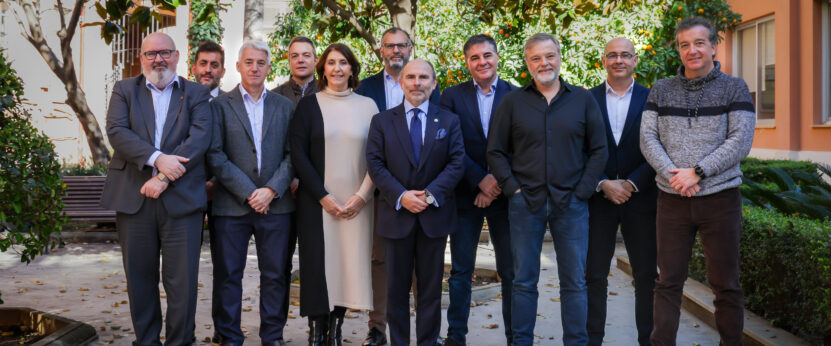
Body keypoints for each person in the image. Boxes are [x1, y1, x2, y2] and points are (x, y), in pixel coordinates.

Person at [640, 17, 755, 346]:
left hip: (720, 200)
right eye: (684, 44)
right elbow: (648, 139)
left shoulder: (735, 88)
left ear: (713, 46)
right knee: (667, 283)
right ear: (678, 49)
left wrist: (698, 172)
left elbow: (740, 141)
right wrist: (676, 177)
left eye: (699, 43)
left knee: (726, 285)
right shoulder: (661, 89)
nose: (692, 50)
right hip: (672, 200)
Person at [487, 33, 608, 346]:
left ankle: (577, 343)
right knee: (523, 282)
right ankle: (521, 342)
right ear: (528, 63)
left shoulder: (583, 100)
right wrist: (512, 189)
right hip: (525, 203)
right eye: (536, 58)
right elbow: (496, 150)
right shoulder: (512, 102)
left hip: (572, 204)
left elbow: (599, 150)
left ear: (559, 57)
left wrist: (582, 192)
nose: (544, 63)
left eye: (549, 56)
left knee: (574, 284)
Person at [100, 32, 211, 346]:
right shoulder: (124, 90)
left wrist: (162, 177)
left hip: (182, 201)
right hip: (134, 198)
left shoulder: (196, 94)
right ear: (141, 59)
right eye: (151, 54)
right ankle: (146, 342)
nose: (158, 59)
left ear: (177, 56)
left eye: (165, 52)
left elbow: (200, 138)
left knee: (183, 284)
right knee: (140, 280)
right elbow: (117, 131)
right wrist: (158, 159)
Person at [366, 59, 465, 346]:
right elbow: (375, 163)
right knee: (396, 291)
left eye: (424, 77)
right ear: (401, 82)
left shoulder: (448, 120)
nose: (417, 83)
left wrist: (430, 195)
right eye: (411, 77)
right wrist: (401, 196)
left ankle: (427, 342)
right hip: (396, 217)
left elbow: (457, 162)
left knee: (430, 290)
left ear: (434, 84)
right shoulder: (382, 121)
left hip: (433, 218)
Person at [206, 40, 295, 346]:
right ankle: (230, 337)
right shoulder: (219, 106)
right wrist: (249, 192)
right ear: (238, 67)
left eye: (261, 62)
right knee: (228, 276)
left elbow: (293, 154)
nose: (255, 68)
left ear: (269, 67)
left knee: (275, 276)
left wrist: (270, 190)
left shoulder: (285, 107)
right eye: (249, 62)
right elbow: (215, 155)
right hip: (231, 207)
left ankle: (272, 336)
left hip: (277, 206)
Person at [355, 27, 439, 346]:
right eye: (389, 46)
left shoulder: (429, 85)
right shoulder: (365, 89)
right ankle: (378, 327)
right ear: (380, 51)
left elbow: (440, 138)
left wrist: (425, 193)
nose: (396, 51)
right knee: (381, 262)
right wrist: (394, 191)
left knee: (423, 266)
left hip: (423, 194)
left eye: (402, 45)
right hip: (379, 191)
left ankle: (427, 332)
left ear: (410, 47)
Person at [290, 43, 379, 346]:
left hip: (357, 203)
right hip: (317, 204)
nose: (337, 68)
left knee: (347, 264)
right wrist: (324, 197)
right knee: (317, 266)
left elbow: (379, 156)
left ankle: (336, 330)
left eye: (343, 63)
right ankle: (317, 334)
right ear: (322, 68)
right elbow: (298, 155)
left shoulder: (368, 106)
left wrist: (362, 197)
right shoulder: (309, 105)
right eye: (331, 63)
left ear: (353, 68)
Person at [438, 34, 517, 346]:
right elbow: (448, 144)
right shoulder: (451, 96)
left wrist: (495, 182)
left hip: (506, 196)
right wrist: (478, 181)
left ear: (497, 56)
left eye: (487, 55)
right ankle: (456, 337)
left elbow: (522, 145)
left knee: (510, 271)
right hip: (465, 194)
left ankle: (515, 336)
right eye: (475, 57)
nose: (482, 62)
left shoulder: (517, 94)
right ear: (467, 62)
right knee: (460, 270)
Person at [586, 37, 657, 346]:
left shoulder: (653, 99)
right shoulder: (585, 100)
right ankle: (593, 340)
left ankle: (648, 340)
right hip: (597, 200)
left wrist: (631, 183)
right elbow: (578, 149)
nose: (619, 60)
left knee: (646, 277)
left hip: (641, 199)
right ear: (603, 60)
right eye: (612, 55)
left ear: (635, 61)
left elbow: (661, 146)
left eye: (625, 55)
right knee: (594, 276)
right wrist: (602, 182)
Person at [190, 39, 227, 345]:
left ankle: (222, 329)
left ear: (223, 70)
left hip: (222, 196)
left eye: (214, 65)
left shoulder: (230, 103)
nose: (208, 70)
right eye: (203, 63)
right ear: (193, 67)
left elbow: (234, 149)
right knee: (184, 268)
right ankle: (182, 329)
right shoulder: (180, 99)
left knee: (224, 267)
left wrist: (216, 183)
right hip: (186, 193)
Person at [272, 36, 319, 105]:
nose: (300, 60)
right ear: (289, 61)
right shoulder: (274, 97)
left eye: (306, 55)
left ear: (316, 60)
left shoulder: (329, 93)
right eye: (295, 56)